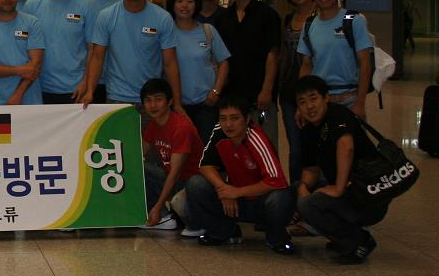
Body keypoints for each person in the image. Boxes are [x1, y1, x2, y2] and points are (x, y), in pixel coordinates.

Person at [185, 94, 295, 254]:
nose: (228, 124)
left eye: (234, 118)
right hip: (237, 201)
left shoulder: (256, 138)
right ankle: (223, 231)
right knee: (196, 184)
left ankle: (276, 238)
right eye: (223, 118)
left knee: (280, 198)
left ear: (247, 118)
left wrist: (236, 192)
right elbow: (204, 165)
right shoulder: (219, 131)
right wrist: (224, 190)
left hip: (262, 201)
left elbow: (276, 181)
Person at [294, 75, 386, 264]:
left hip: (369, 193)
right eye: (302, 102)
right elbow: (311, 169)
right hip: (348, 189)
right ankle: (343, 238)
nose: (309, 106)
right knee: (297, 193)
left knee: (309, 204)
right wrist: (303, 187)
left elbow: (346, 147)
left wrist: (338, 188)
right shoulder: (308, 131)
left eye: (313, 98)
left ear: (326, 98)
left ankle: (358, 241)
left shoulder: (338, 115)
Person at [79, 0, 181, 111]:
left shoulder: (162, 18)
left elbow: (170, 63)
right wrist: (90, 91)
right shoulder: (106, 16)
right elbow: (97, 57)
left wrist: (177, 103)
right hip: (117, 98)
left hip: (152, 99)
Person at [216, 0, 281, 143]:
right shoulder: (224, 18)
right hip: (231, 94)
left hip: (259, 94)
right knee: (235, 147)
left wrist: (267, 90)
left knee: (264, 145)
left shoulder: (268, 15)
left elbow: (273, 54)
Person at [297, 0, 374, 117]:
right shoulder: (309, 24)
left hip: (349, 99)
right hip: (318, 101)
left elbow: (365, 64)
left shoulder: (353, 20)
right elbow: (306, 66)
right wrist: (301, 103)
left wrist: (360, 103)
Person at [21, 0, 90, 104]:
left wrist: (86, 83)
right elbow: (23, 49)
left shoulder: (86, 5)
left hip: (75, 90)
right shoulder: (32, 5)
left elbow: (93, 51)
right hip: (38, 88)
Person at [165, 0, 230, 143]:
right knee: (181, 150)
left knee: (207, 149)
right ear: (172, 4)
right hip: (175, 105)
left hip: (206, 105)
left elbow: (223, 62)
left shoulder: (208, 30)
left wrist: (216, 92)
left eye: (190, 1)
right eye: (180, 1)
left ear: (196, 4)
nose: (185, 6)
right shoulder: (166, 33)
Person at [140, 78, 202, 231]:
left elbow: (175, 173)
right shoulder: (154, 124)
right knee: (138, 167)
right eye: (148, 100)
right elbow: (138, 154)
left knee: (182, 202)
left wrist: (158, 206)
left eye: (158, 99)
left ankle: (169, 215)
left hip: (192, 184)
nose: (153, 105)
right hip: (174, 180)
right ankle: (164, 216)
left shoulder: (181, 127)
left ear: (169, 102)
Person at [277, 0, 315, 184]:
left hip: (314, 90)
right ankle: (296, 192)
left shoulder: (321, 16)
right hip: (289, 90)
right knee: (296, 147)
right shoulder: (288, 19)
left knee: (317, 144)